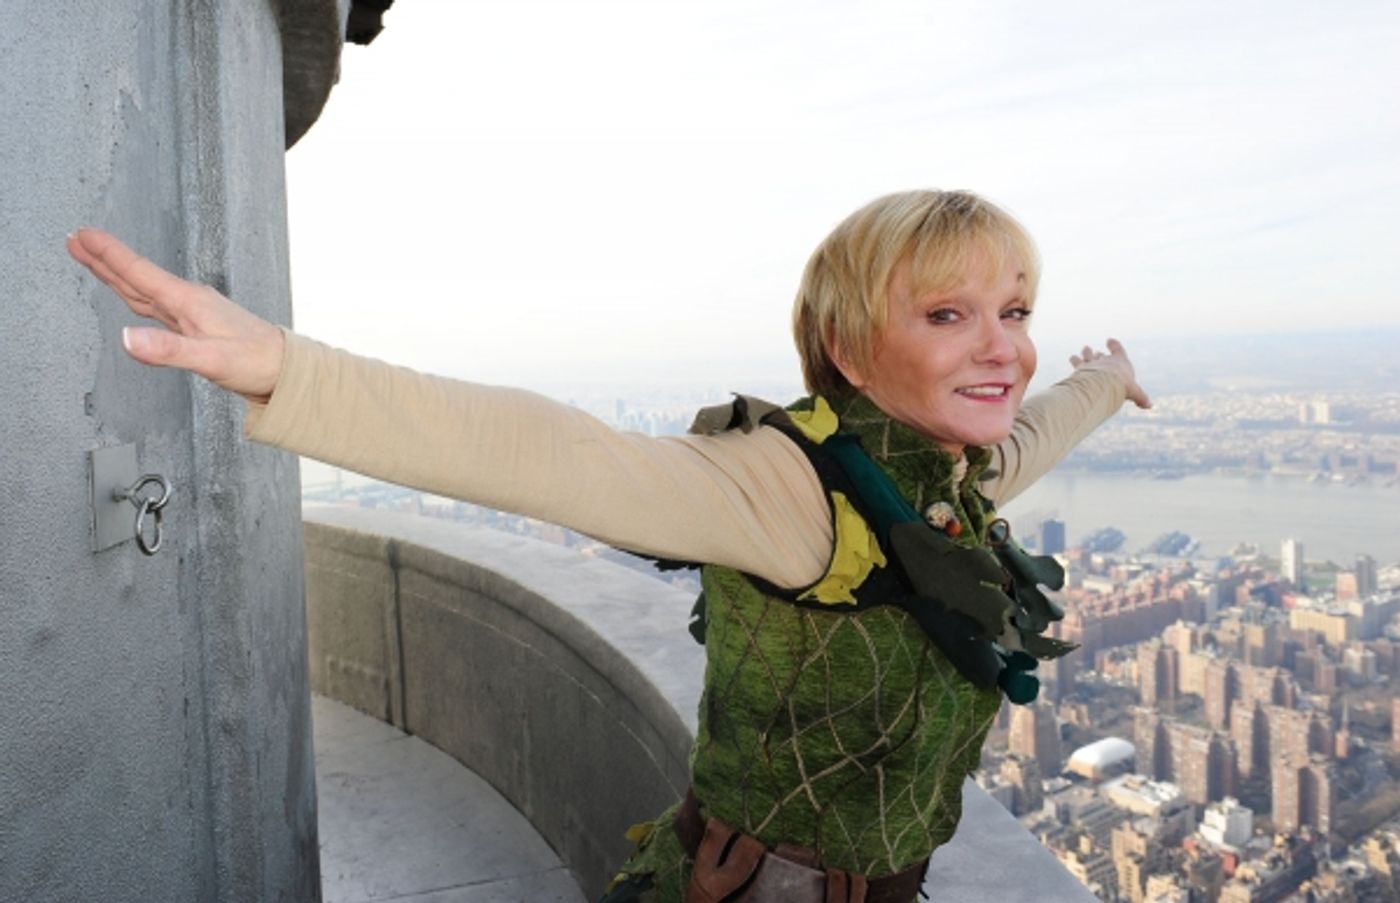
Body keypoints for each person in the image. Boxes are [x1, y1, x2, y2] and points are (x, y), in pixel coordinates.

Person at [68, 189, 1148, 903]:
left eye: (1012, 308)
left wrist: (1102, 380)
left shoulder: (946, 481)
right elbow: (551, 454)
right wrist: (291, 371)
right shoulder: (790, 488)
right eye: (948, 315)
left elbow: (1031, 427)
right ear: (848, 349)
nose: (1002, 345)